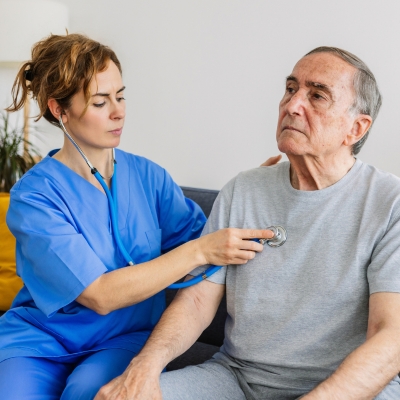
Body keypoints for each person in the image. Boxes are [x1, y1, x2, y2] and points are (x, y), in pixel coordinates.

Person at [96, 47, 400, 400]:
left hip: (347, 388)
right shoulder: (244, 189)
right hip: (238, 378)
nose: (292, 105)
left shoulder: (389, 202)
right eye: (290, 89)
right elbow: (196, 302)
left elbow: (390, 336)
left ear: (356, 127)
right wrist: (143, 367)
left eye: (316, 95)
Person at [0, 33, 276, 399]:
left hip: (124, 337)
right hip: (40, 338)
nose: (118, 111)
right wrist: (199, 251)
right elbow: (99, 295)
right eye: (100, 101)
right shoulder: (34, 197)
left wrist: (250, 194)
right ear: (59, 110)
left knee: (87, 392)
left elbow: (207, 238)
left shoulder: (149, 177)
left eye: (120, 95)